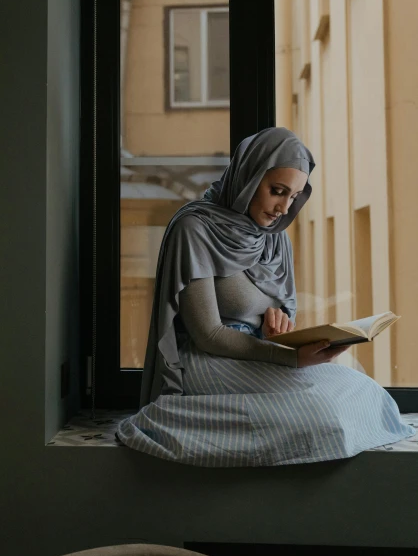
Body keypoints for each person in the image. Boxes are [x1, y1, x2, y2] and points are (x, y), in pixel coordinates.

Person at [117, 127, 415, 466]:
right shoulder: (195, 228)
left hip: (263, 351)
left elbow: (283, 312)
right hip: (209, 360)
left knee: (365, 390)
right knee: (321, 414)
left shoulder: (275, 238)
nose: (283, 208)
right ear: (249, 176)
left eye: (294, 197)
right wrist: (290, 359)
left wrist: (282, 334)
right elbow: (207, 335)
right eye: (277, 191)